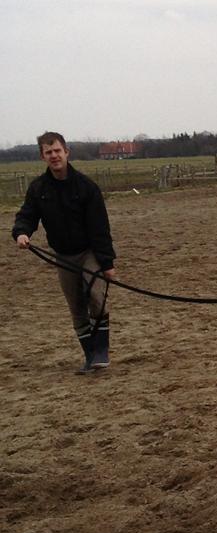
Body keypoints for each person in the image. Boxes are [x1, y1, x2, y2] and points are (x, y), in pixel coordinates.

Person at [12, 132, 117, 373]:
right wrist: (21, 233)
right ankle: (90, 355)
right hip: (63, 255)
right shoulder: (38, 189)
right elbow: (27, 215)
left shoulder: (87, 187)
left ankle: (101, 350)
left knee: (96, 295)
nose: (54, 156)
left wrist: (107, 263)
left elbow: (100, 228)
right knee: (76, 306)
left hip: (89, 251)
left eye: (57, 151)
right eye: (48, 152)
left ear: (66, 152)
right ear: (42, 156)